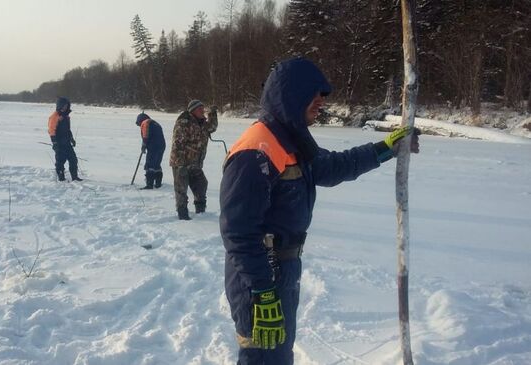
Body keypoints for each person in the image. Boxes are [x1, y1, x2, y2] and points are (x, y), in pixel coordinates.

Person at [219, 57, 420, 364]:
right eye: (314, 99)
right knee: (262, 356)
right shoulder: (256, 150)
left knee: (279, 354)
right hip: (259, 276)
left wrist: (385, 149)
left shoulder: (291, 140)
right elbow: (238, 232)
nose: (320, 106)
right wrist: (263, 291)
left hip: (282, 270)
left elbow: (331, 167)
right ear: (292, 96)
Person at [169, 99, 218, 220]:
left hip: (195, 163)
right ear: (193, 110)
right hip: (181, 162)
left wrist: (213, 113)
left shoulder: (201, 122)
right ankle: (183, 215)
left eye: (203, 109)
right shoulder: (184, 122)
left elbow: (212, 127)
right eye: (200, 109)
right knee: (181, 190)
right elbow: (178, 143)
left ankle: (201, 212)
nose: (203, 111)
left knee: (201, 184)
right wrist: (181, 164)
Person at [48, 97, 82, 181]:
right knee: (60, 162)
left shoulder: (66, 117)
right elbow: (51, 130)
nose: (65, 107)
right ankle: (61, 178)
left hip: (67, 143)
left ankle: (75, 177)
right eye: (63, 105)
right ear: (59, 105)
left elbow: (68, 130)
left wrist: (72, 139)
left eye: (66, 105)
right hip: (59, 144)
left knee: (73, 160)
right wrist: (55, 143)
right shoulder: (54, 116)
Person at [135, 112, 166, 189]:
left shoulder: (145, 123)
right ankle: (158, 183)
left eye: (138, 124)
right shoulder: (155, 123)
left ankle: (149, 184)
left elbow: (146, 135)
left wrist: (144, 145)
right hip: (161, 146)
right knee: (157, 164)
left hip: (153, 147)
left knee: (150, 164)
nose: (139, 126)